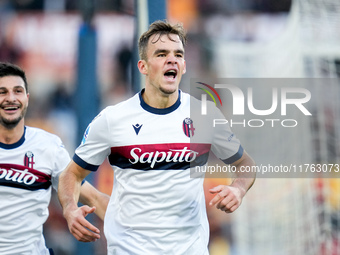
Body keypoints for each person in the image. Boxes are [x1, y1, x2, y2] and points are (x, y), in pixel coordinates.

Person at [58, 20, 256, 254]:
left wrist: (238, 189)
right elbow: (72, 173)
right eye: (161, 54)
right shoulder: (112, 119)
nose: (171, 59)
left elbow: (245, 165)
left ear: (183, 65)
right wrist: (70, 208)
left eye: (177, 54)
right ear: (143, 66)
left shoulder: (205, 116)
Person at [0, 62, 110, 255]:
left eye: (17, 91)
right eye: (3, 92)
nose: (11, 98)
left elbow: (92, 196)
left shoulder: (47, 146)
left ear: (27, 98)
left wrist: (139, 225)